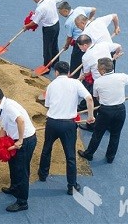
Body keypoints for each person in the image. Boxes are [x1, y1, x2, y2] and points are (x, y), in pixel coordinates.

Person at [38, 61, 94, 195]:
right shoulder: (76, 83)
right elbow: (89, 99)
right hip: (68, 124)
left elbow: (47, 105)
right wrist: (90, 116)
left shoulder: (51, 85)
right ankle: (71, 186)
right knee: (70, 156)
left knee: (46, 149)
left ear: (56, 72)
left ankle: (43, 174)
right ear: (68, 72)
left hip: (52, 123)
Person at [78, 58, 128, 164]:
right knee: (115, 134)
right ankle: (110, 157)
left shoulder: (98, 82)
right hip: (120, 110)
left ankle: (89, 154)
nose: (97, 70)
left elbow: (97, 97)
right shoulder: (121, 76)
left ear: (103, 70)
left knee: (97, 134)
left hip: (106, 111)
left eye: (98, 68)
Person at [0, 86, 37, 212]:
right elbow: (3, 127)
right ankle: (14, 187)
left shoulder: (9, 107)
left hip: (25, 141)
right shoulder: (3, 106)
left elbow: (21, 121)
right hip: (14, 140)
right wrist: (0, 146)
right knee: (13, 165)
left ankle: (22, 202)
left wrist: (20, 140)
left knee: (22, 170)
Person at [24, 0, 63, 72]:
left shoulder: (40, 8)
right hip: (57, 25)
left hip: (49, 29)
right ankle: (56, 63)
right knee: (54, 45)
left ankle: (46, 68)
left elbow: (34, 22)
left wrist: (26, 26)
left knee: (47, 48)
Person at [58, 1, 96, 72]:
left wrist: (66, 45)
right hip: (89, 40)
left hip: (79, 43)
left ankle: (74, 76)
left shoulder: (68, 22)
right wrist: (89, 20)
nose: (60, 14)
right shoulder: (79, 8)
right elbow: (94, 9)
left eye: (60, 12)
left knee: (75, 62)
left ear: (65, 11)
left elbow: (69, 37)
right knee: (87, 59)